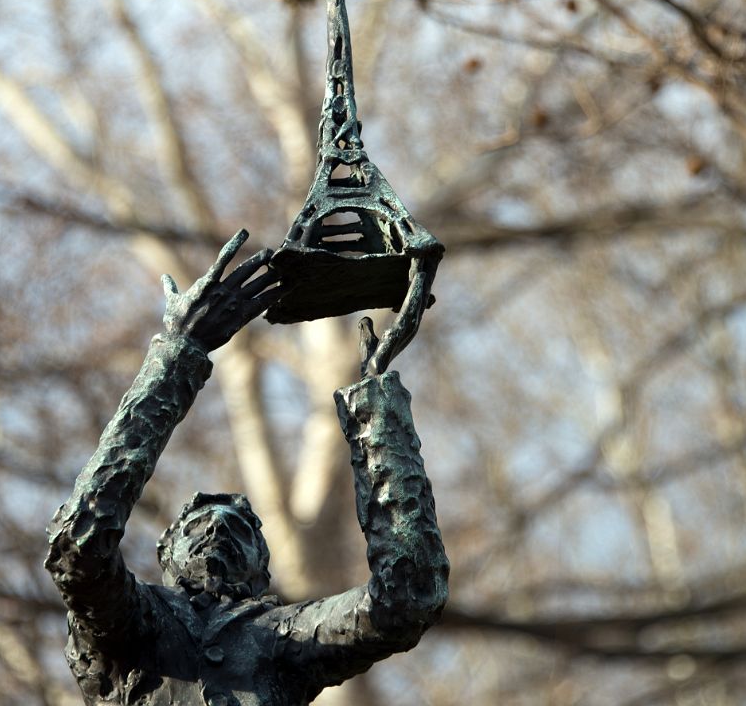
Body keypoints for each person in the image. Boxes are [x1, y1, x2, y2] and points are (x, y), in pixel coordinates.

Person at [45, 229, 448, 706]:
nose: (217, 529)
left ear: (261, 573)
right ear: (165, 553)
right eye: (196, 525)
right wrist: (178, 355)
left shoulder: (282, 639)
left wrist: (378, 414)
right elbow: (79, 545)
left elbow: (407, 598)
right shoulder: (133, 620)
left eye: (240, 530)